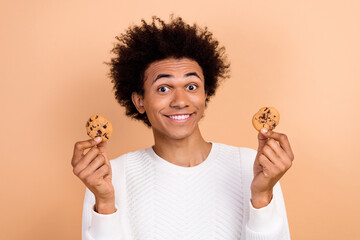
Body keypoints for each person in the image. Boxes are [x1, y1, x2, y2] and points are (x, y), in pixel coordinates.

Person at [71, 15, 294, 240]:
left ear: (205, 95)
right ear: (139, 101)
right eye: (163, 89)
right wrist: (106, 203)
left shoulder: (252, 166)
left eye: (191, 86)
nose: (180, 101)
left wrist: (262, 196)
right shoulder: (109, 176)